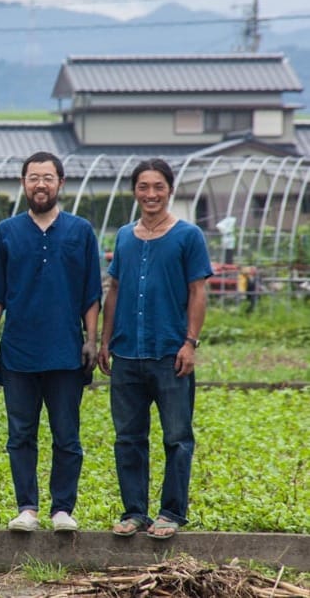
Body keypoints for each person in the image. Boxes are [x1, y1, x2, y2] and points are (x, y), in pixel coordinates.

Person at [0, 151, 102, 532]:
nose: (40, 184)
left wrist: (91, 339)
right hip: (18, 351)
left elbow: (90, 292)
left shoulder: (80, 231)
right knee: (21, 434)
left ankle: (62, 508)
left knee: (67, 435)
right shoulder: (7, 232)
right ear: (23, 183)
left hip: (67, 351)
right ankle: (27, 508)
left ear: (60, 184)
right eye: (33, 177)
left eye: (48, 177)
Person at [97, 157, 213, 540]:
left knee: (177, 436)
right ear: (135, 192)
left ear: (170, 190)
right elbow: (113, 290)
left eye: (158, 187)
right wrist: (105, 340)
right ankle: (134, 512)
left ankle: (172, 512)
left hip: (170, 353)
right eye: (143, 187)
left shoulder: (188, 236)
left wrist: (190, 342)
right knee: (128, 438)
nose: (151, 194)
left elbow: (199, 290)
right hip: (128, 353)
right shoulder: (125, 236)